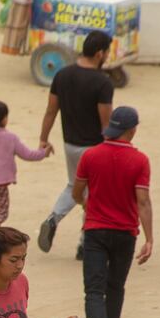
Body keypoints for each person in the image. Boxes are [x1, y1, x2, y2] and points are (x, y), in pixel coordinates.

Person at [72, 106, 153, 318]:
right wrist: (149, 238)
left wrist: (87, 205)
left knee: (94, 288)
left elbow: (76, 192)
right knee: (115, 286)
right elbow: (143, 201)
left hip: (95, 230)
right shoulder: (140, 160)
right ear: (133, 130)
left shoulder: (90, 155)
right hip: (125, 233)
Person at [38, 31, 114, 259]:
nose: (107, 56)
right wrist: (113, 149)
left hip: (70, 144)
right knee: (95, 194)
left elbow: (51, 111)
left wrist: (43, 139)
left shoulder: (62, 75)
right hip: (94, 148)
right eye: (107, 52)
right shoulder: (102, 82)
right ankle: (84, 243)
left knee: (74, 186)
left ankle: (53, 218)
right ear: (99, 53)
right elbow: (106, 124)